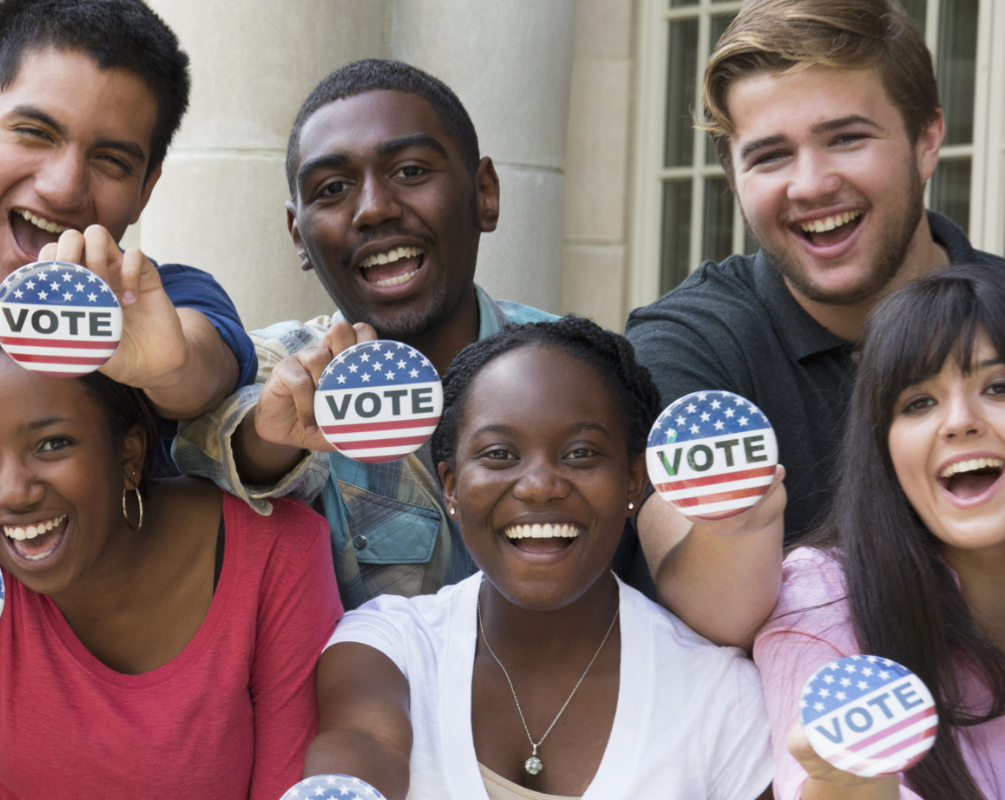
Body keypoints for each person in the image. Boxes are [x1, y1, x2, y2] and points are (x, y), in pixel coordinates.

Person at [0, 309, 343, 800]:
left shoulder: (278, 554)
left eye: (52, 444)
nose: (12, 492)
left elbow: (289, 779)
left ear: (129, 453)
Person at [625, 0, 1005, 648]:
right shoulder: (689, 344)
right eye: (770, 155)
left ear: (927, 139)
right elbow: (711, 609)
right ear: (734, 178)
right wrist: (739, 526)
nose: (810, 184)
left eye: (847, 138)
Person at [175, 59, 583, 612]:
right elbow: (214, 435)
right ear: (298, 235)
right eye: (334, 187)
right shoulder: (281, 361)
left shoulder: (578, 365)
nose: (373, 209)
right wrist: (268, 440)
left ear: (484, 192)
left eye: (411, 171)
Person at [307, 318, 774, 799]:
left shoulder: (722, 699)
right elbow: (360, 748)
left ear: (634, 481)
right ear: (451, 487)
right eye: (500, 454)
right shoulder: (391, 646)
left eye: (580, 453)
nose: (540, 486)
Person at [0, 0, 253, 450]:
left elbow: (200, 358)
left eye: (111, 160)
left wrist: (167, 368)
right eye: (35, 132)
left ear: (145, 190)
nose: (63, 188)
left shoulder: (158, 298)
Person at [754, 265, 1005, 800]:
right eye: (918, 402)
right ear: (882, 447)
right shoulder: (822, 603)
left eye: (998, 386)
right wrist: (848, 782)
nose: (960, 421)